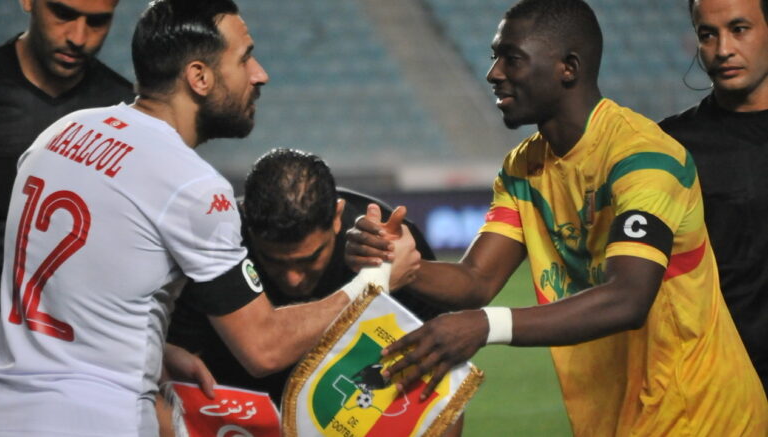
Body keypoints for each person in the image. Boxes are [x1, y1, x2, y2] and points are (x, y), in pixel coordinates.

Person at [0, 1, 415, 435]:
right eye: (245, 58)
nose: (259, 74)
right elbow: (264, 347)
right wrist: (376, 282)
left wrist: (154, 349)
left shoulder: (63, 132)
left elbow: (79, 288)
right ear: (199, 77)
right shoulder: (190, 184)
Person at [346, 0, 768, 435]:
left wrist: (487, 326)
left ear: (568, 68)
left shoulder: (644, 156)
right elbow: (475, 279)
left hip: (705, 416)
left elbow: (628, 297)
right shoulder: (523, 167)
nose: (493, 73)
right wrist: (400, 262)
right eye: (495, 57)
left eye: (511, 59)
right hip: (621, 418)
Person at [166, 148, 463, 435]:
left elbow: (442, 382)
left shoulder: (386, 243)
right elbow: (168, 379)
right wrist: (372, 286)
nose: (293, 280)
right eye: (274, 261)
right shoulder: (218, 246)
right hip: (239, 423)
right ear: (244, 219)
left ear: (337, 216)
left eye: (309, 260)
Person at [0, 0, 135, 356]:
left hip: (76, 352)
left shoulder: (123, 110)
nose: (78, 37)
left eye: (97, 22)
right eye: (63, 14)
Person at [659, 0, 768, 393]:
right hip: (717, 391)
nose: (723, 49)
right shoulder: (668, 148)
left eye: (739, 29)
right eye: (708, 34)